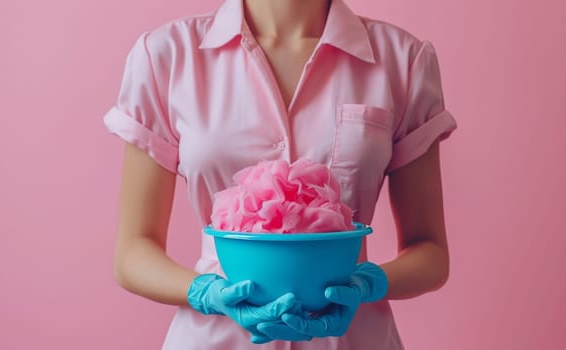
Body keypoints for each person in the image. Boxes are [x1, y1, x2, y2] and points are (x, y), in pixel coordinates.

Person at [103, 0, 458, 348]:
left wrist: (367, 284)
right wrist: (206, 292)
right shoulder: (167, 56)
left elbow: (429, 251)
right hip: (214, 337)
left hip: (353, 337)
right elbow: (133, 251)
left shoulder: (404, 60)